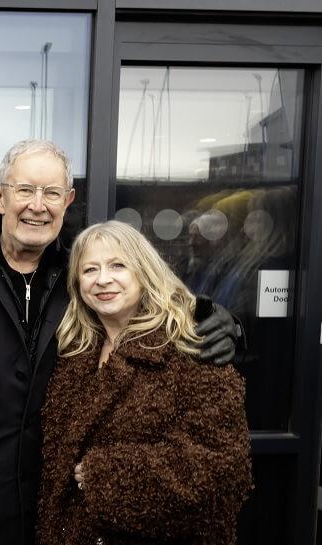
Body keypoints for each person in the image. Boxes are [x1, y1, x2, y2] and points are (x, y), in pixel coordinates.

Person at [0, 139, 240, 545]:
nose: (37, 205)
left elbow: (152, 307)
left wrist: (222, 320)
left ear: (67, 200)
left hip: (53, 506)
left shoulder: (84, 276)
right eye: (24, 190)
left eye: (51, 192)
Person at [38, 220, 252, 545]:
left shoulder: (189, 346)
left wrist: (107, 477)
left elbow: (222, 464)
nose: (103, 279)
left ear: (144, 272)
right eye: (90, 269)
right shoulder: (73, 352)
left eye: (118, 265)